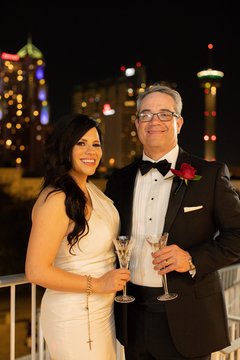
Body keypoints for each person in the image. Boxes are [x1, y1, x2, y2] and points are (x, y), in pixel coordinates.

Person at [105, 84, 240, 360]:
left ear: (179, 122)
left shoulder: (211, 174)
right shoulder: (118, 180)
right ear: (136, 123)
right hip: (132, 317)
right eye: (146, 114)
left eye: (164, 114)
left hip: (190, 318)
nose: (154, 121)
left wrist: (191, 259)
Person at [25, 114, 130, 360]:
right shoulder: (57, 198)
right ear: (65, 147)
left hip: (103, 311)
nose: (90, 151)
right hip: (72, 314)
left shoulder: (90, 188)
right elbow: (36, 271)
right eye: (81, 143)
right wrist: (100, 284)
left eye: (96, 144)